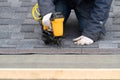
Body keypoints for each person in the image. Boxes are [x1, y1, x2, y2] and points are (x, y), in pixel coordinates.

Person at [38, 0, 112, 45]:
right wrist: (47, 13)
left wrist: (91, 34)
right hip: (61, 1)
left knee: (90, 28)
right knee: (50, 32)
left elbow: (103, 4)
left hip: (85, 2)